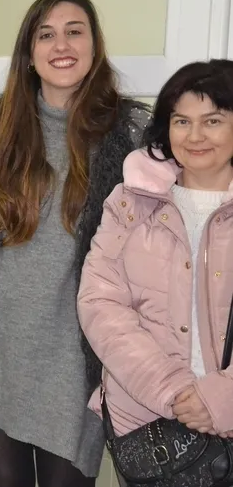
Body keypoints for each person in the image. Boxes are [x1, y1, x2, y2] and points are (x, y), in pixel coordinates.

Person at [0, 0, 151, 487]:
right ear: (29, 53)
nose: (61, 45)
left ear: (95, 45)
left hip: (76, 351)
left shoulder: (130, 130)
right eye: (45, 35)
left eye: (74, 31)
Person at [78, 60, 233, 450]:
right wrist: (173, 391)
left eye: (213, 121)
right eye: (182, 121)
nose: (195, 135)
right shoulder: (129, 203)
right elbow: (100, 303)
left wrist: (220, 399)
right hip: (148, 426)